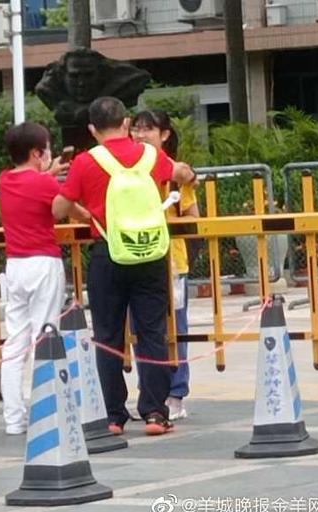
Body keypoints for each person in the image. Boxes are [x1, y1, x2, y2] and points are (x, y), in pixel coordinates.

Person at [52, 97, 197, 436]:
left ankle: (114, 416)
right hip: (151, 256)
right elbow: (181, 173)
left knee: (107, 335)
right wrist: (189, 175)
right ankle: (155, 414)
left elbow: (60, 207)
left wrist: (83, 213)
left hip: (109, 254)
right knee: (152, 333)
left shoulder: (87, 161)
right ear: (127, 123)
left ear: (92, 128)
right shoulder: (150, 155)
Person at [0, 122, 89, 435]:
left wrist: (48, 172)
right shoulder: (45, 185)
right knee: (44, 337)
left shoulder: (5, 179)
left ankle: (13, 419)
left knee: (15, 342)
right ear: (38, 153)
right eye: (47, 149)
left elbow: (31, 184)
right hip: (43, 264)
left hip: (15, 267)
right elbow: (69, 211)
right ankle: (44, 410)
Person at [131, 109, 197, 421]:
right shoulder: (128, 172)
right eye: (136, 129)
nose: (140, 135)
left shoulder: (176, 173)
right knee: (142, 330)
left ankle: (175, 393)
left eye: (148, 129)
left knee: (176, 330)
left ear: (165, 135)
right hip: (138, 257)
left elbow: (194, 218)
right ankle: (150, 392)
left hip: (172, 261)